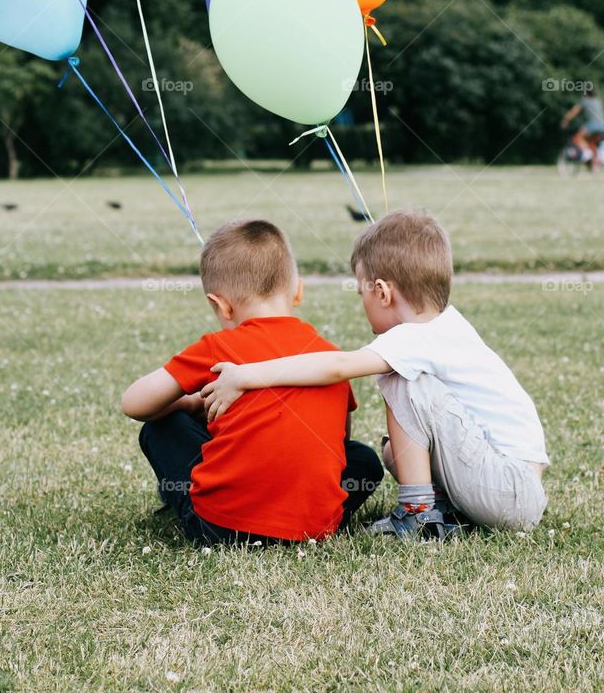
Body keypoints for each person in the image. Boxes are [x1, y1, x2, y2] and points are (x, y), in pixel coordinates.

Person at [201, 210, 549, 541]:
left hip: (507, 490)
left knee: (403, 380)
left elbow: (336, 367)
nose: (362, 301)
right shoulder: (445, 326)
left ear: (382, 292)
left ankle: (417, 512)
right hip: (509, 489)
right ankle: (439, 507)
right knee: (391, 453)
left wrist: (247, 375)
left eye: (361, 292)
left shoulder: (414, 338)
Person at [121, 218, 383, 545]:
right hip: (312, 530)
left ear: (220, 305)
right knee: (363, 459)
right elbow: (339, 442)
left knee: (161, 426)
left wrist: (190, 403)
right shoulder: (326, 357)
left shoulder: (216, 349)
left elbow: (133, 404)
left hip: (219, 529)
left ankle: (194, 503)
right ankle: (302, 518)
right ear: (298, 291)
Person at [561, 86, 604, 169]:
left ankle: (586, 154)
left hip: (593, 125)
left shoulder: (585, 101)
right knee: (592, 143)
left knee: (578, 137)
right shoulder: (598, 101)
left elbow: (574, 112)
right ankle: (594, 163)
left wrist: (565, 120)